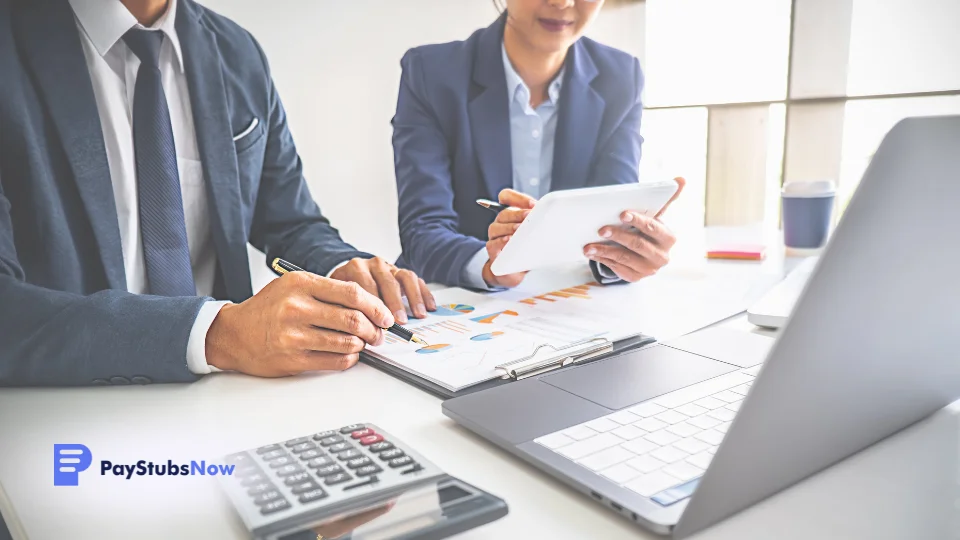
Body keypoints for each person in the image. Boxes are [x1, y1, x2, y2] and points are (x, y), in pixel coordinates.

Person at [0, 0, 437, 386]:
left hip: (224, 396)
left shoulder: (237, 51)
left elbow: (288, 220)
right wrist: (216, 332)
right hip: (62, 406)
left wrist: (340, 268)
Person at [393, 0, 685, 290]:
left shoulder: (621, 76)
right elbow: (422, 229)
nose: (562, 2)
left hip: (568, 300)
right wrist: (491, 264)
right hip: (455, 298)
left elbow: (611, 223)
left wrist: (629, 253)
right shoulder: (431, 73)